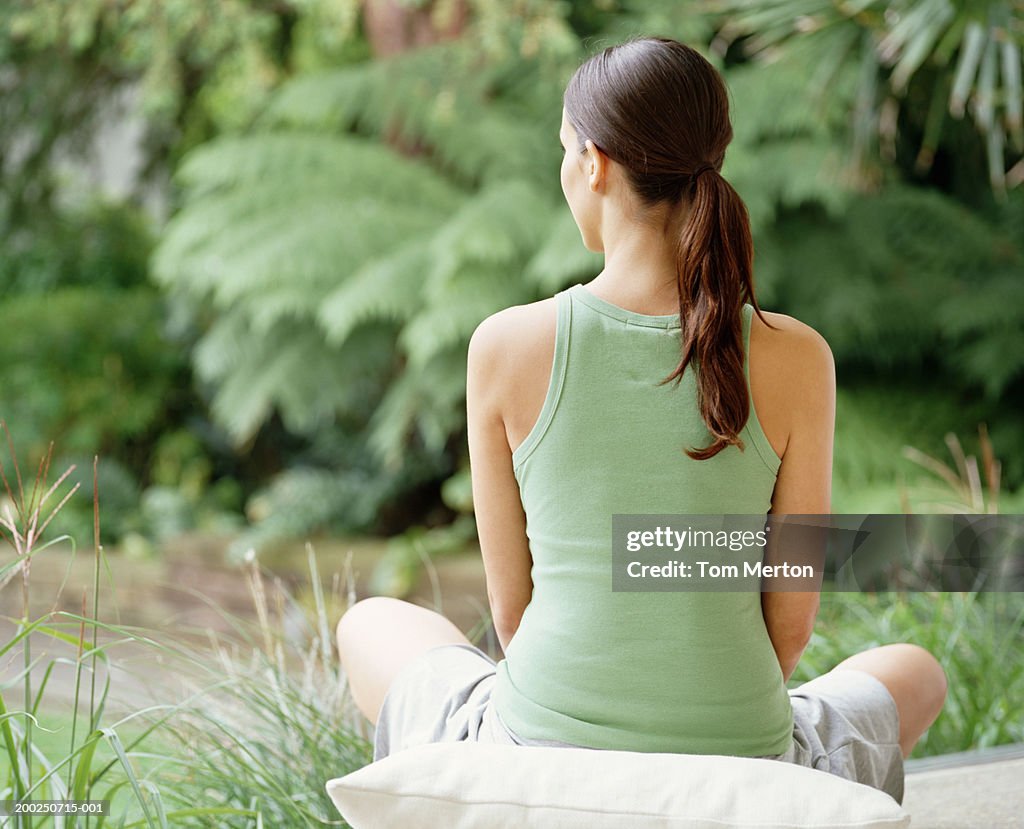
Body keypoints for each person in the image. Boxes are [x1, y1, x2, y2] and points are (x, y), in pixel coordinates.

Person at [336, 35, 947, 806]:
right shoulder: (799, 357)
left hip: (543, 752)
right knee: (915, 671)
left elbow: (512, 615)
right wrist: (697, 721)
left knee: (371, 622)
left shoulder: (506, 345)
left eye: (565, 150)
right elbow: (790, 626)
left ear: (594, 162)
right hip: (748, 757)